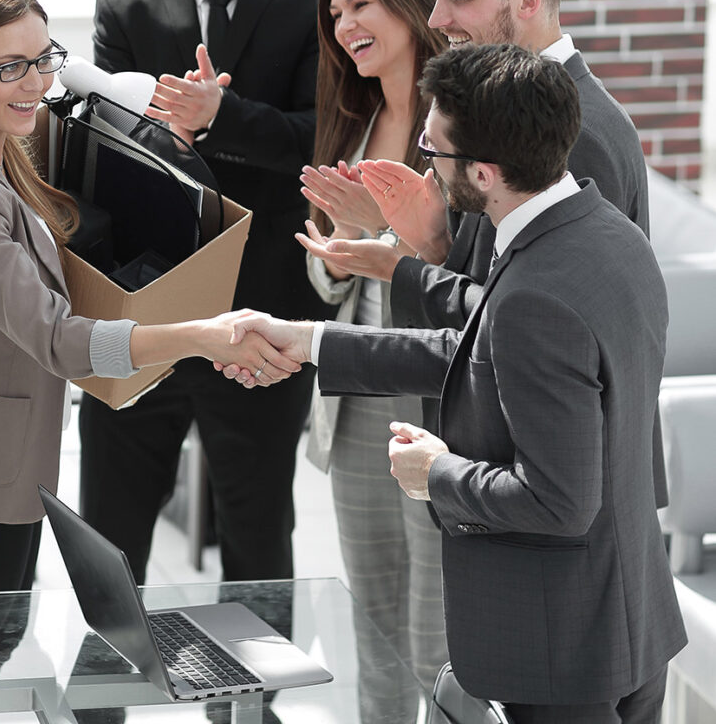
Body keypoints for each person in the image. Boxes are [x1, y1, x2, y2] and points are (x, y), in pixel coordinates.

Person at [222, 44, 687, 723]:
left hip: (560, 654)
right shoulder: (602, 232)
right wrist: (312, 340)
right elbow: (479, 349)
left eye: (432, 154)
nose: (425, 170)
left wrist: (434, 471)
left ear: (484, 172)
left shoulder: (536, 287)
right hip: (623, 622)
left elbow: (556, 501)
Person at [0, 0, 297, 598]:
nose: (35, 84)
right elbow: (57, 339)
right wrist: (203, 336)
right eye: (10, 66)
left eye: (42, 58)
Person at [298, 0, 666, 507]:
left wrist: (402, 263)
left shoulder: (578, 133)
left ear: (527, 0)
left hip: (535, 482)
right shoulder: (517, 109)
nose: (436, 17)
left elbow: (527, 323)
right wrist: (429, 237)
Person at [78, 0, 330, 586]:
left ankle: (249, 708)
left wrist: (219, 119)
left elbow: (320, 142)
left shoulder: (316, 4)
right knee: (109, 533)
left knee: (256, 536)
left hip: (264, 311)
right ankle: (101, 705)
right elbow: (105, 151)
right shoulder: (126, 6)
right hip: (145, 308)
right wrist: (169, 141)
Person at [296, 0, 447, 718]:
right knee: (373, 619)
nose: (346, 25)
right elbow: (329, 270)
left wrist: (375, 239)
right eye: (335, 14)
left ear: (409, 0)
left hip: (431, 394)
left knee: (433, 633)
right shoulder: (354, 119)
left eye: (361, 5)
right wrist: (335, 254)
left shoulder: (453, 121)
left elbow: (453, 261)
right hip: (356, 395)